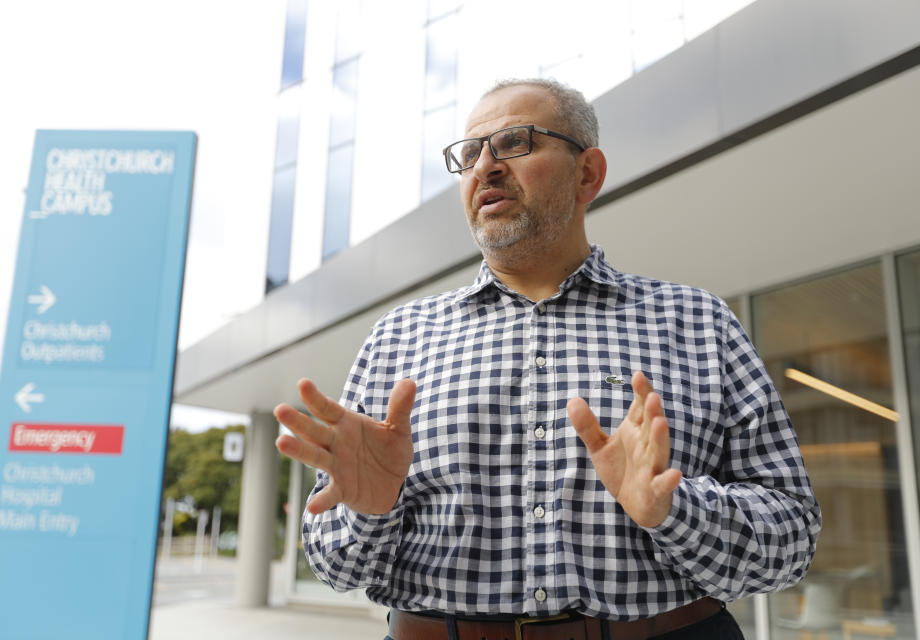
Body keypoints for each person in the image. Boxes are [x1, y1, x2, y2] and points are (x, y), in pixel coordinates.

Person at [274, 78, 821, 640]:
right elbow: (335, 567)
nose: (484, 167)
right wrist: (370, 511)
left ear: (587, 173)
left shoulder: (696, 322)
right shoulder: (398, 339)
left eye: (515, 142)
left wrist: (673, 510)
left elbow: (793, 539)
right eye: (469, 155)